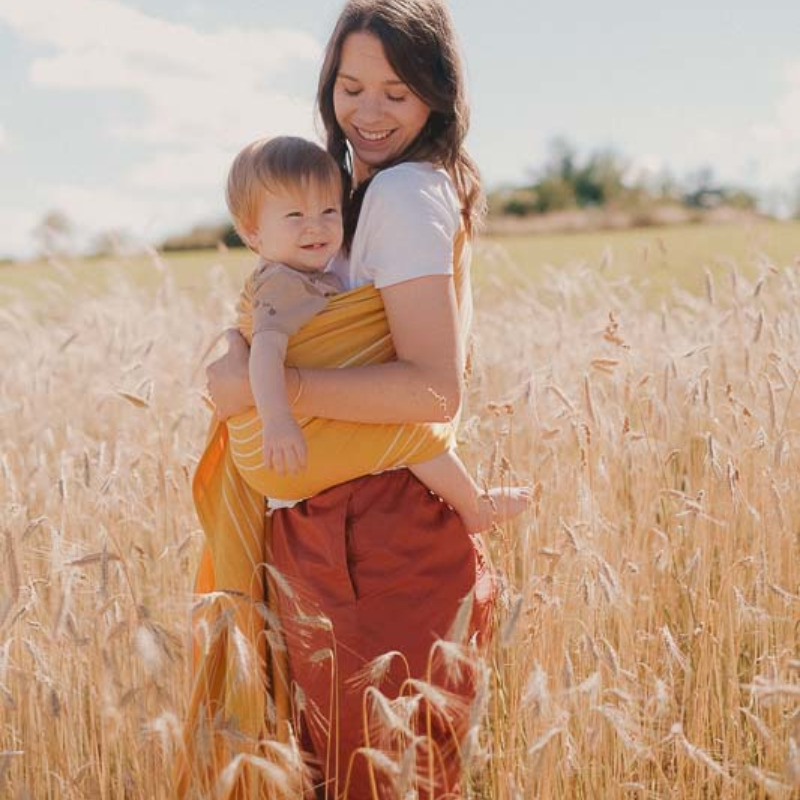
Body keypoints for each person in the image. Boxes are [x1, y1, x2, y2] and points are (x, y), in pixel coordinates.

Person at [191, 1, 511, 797]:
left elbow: (433, 388)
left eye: (397, 93)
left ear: (437, 95)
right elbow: (285, 317)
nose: (368, 113)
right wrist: (236, 353)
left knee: (377, 780)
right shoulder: (348, 197)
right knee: (360, 776)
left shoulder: (399, 193)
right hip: (352, 533)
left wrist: (270, 394)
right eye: (350, 86)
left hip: (376, 537)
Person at [227, 134, 530, 533]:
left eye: (329, 210)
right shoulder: (282, 283)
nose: (315, 227)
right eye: (295, 216)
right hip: (282, 449)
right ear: (253, 234)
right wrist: (278, 419)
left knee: (397, 423)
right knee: (403, 425)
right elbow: (264, 352)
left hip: (281, 452)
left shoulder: (308, 273)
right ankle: (474, 508)